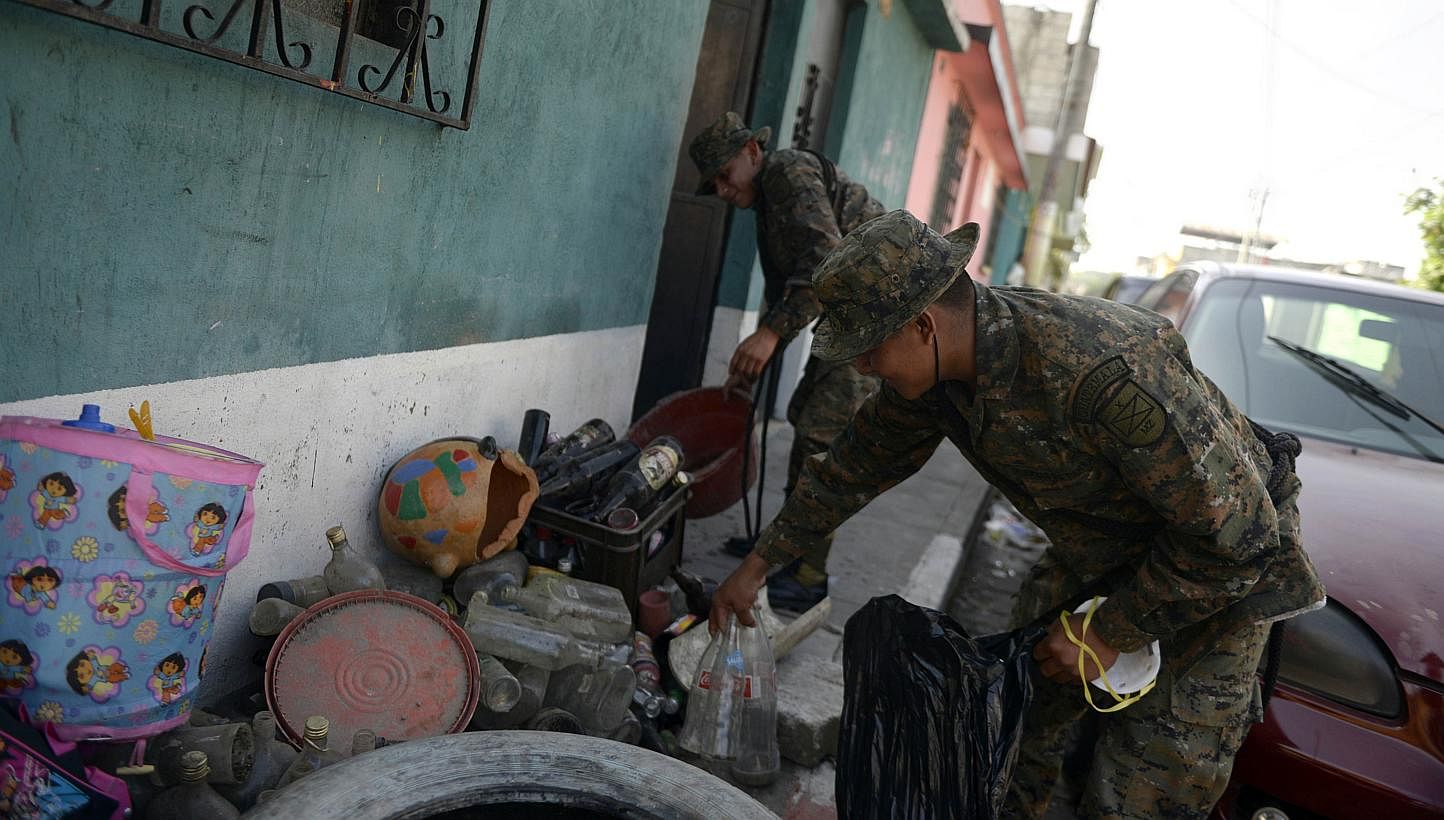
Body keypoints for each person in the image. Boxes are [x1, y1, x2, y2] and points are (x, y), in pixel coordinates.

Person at [709, 210, 1325, 818]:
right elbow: (853, 467)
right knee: (1012, 717)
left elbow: (1238, 543)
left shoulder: (1100, 369)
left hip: (1222, 577)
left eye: (869, 351)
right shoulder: (937, 380)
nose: (863, 368)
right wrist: (759, 566)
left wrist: (1107, 631)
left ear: (923, 327)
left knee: (1140, 793)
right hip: (1108, 548)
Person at [688, 111, 884, 609]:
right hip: (851, 320)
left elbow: (825, 261)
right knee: (805, 420)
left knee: (822, 439)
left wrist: (771, 335)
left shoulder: (786, 172)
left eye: (725, 176)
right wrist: (756, 361)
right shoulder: (768, 203)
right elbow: (789, 289)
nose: (724, 190)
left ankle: (809, 576)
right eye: (714, 185)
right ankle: (781, 551)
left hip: (881, 317)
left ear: (752, 151)